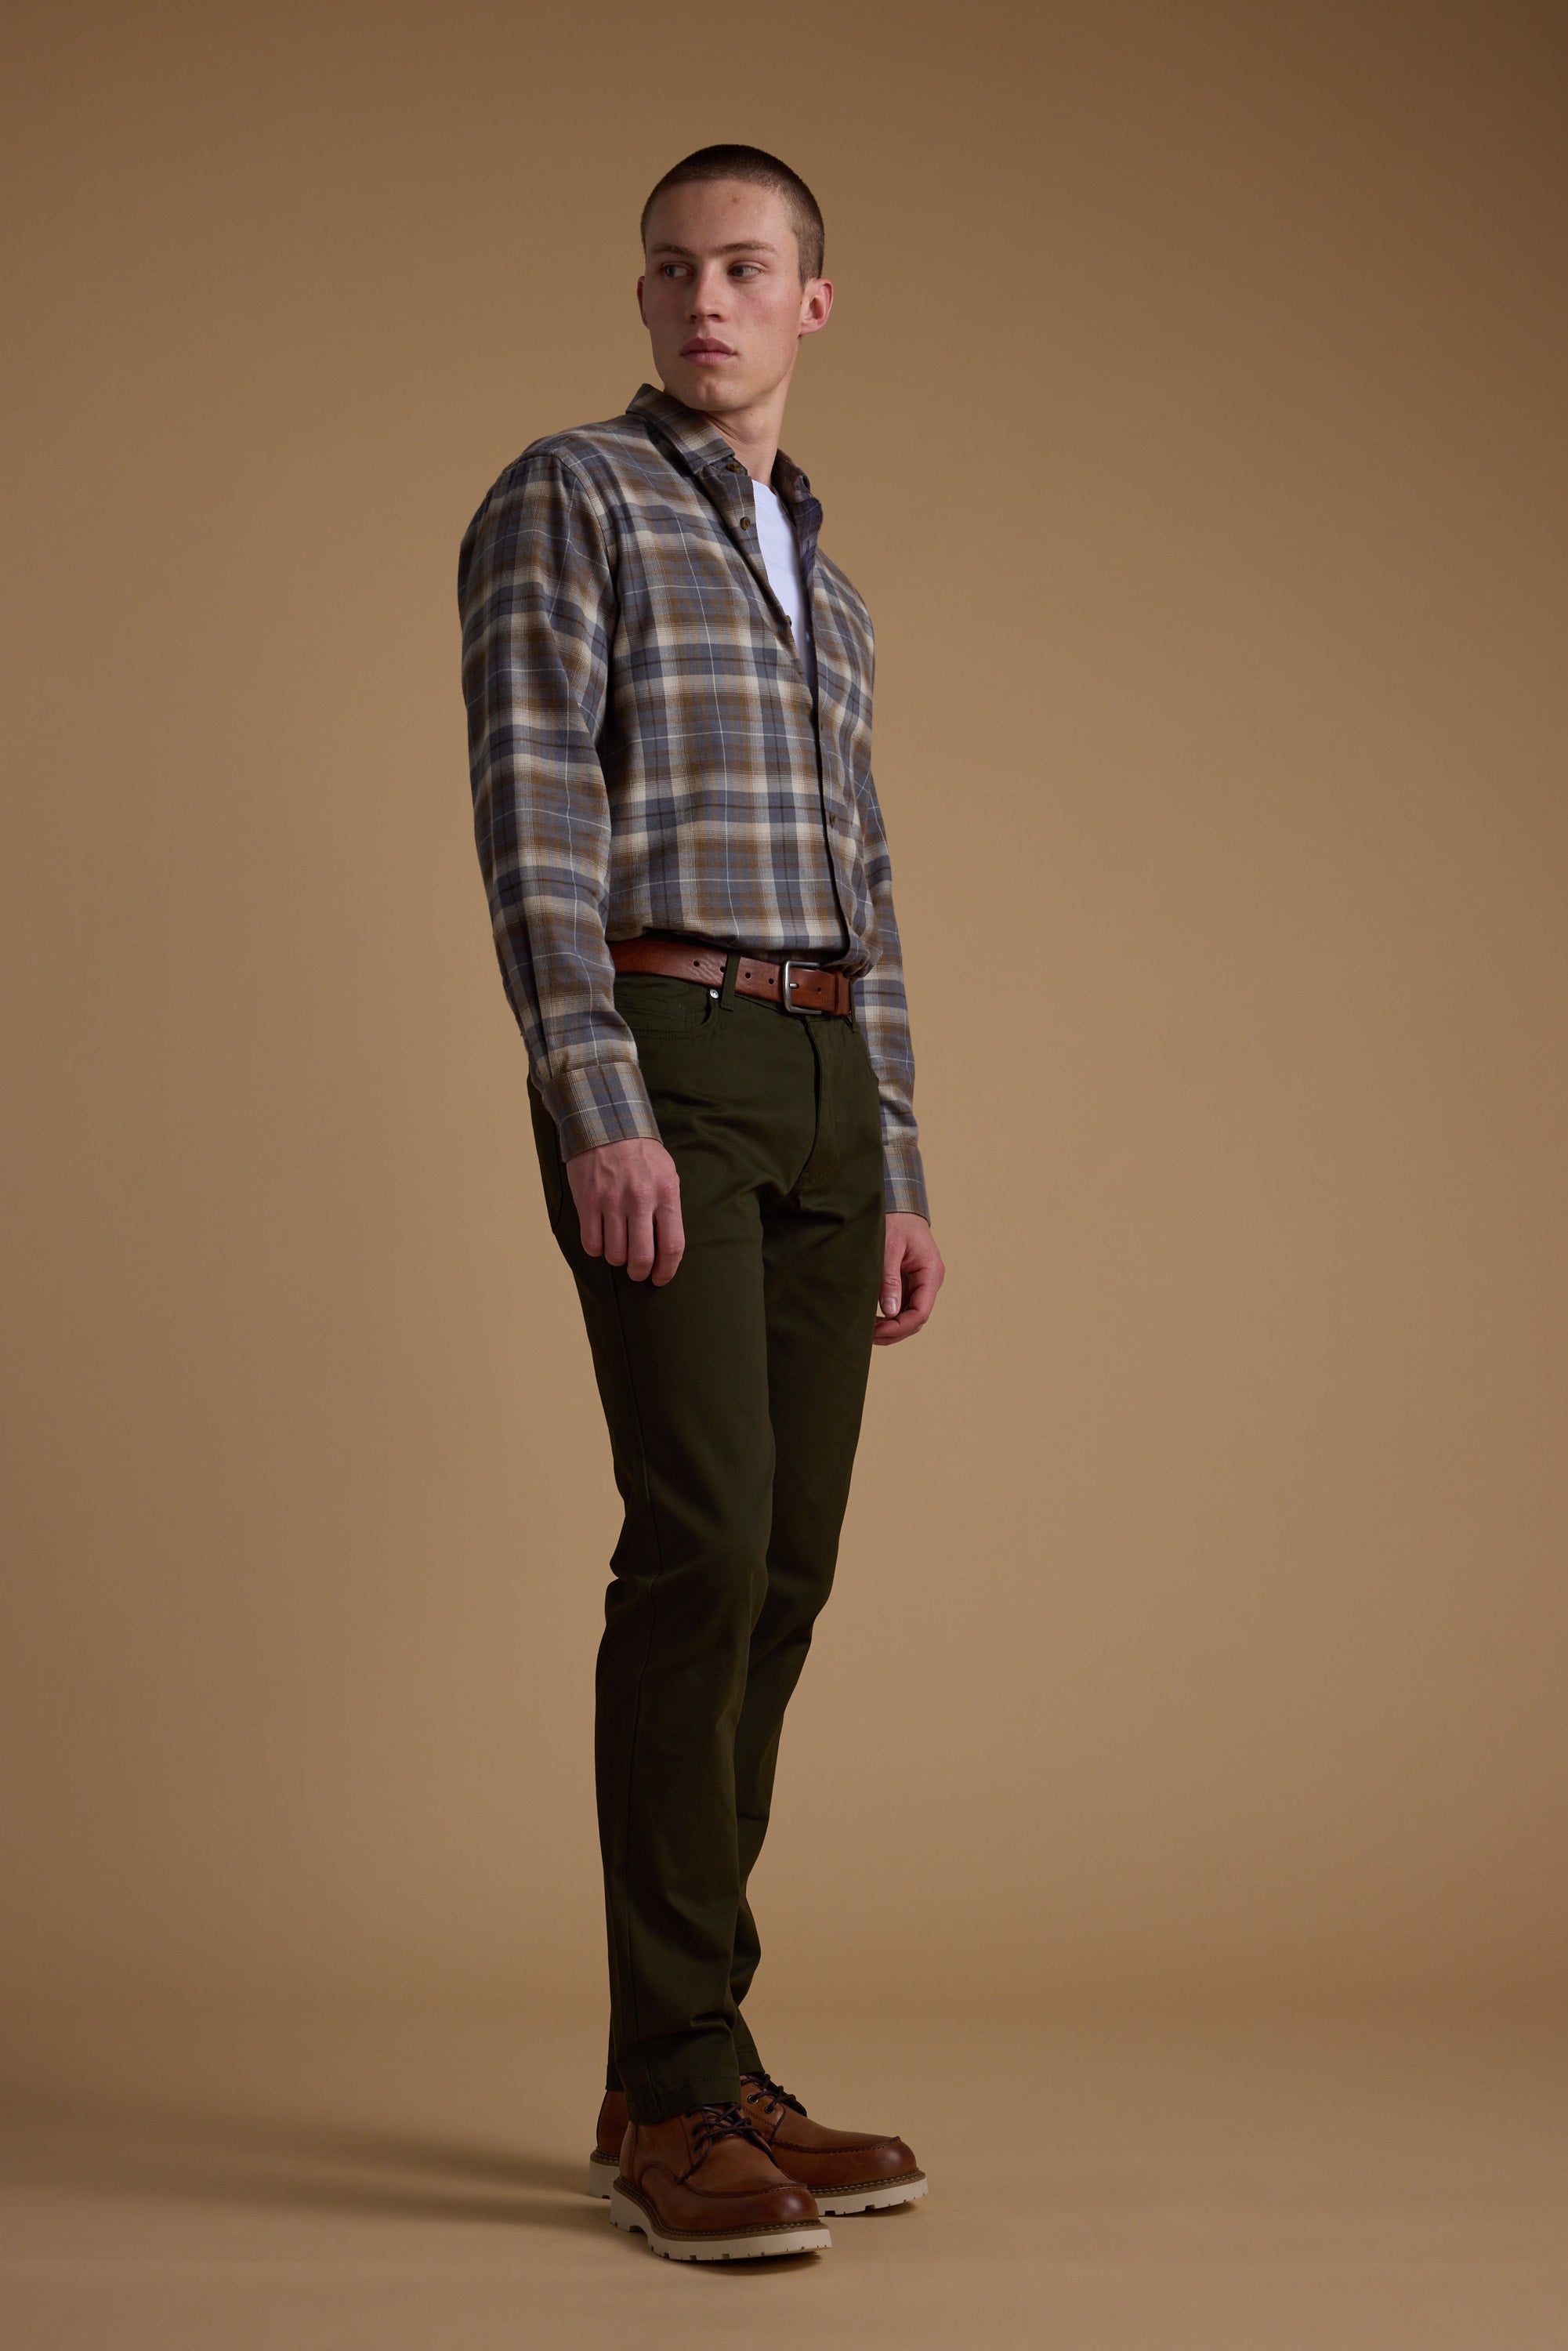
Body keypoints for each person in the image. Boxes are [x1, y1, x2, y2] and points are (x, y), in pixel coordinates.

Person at [458, 143, 945, 2262]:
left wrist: (899, 1154)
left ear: (811, 302)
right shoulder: (564, 498)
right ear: (644, 302)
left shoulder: (822, 583)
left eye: (744, 269)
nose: (705, 304)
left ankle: (697, 2050)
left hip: (826, 1078)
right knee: (702, 1540)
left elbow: (872, 876)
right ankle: (670, 2094)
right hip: (666, 1054)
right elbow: (532, 809)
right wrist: (593, 1098)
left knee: (792, 1566)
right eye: (672, 273)